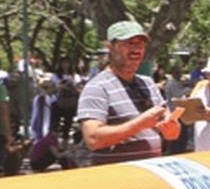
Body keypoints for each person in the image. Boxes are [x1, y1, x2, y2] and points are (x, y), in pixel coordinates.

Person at [77, 20, 182, 165]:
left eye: (140, 43)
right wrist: (140, 124)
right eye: (129, 43)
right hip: (117, 180)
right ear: (110, 47)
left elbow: (172, 134)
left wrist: (172, 128)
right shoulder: (97, 87)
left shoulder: (148, 83)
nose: (136, 48)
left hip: (152, 175)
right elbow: (93, 139)